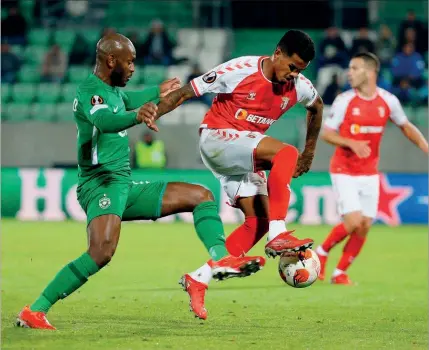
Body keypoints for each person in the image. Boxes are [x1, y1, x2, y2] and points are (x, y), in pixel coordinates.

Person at [16, 33, 265, 330]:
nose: (133, 67)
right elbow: (106, 121)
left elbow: (129, 99)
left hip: (123, 184)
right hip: (101, 184)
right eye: (129, 62)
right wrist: (137, 116)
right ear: (111, 61)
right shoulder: (91, 93)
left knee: (200, 195)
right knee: (101, 253)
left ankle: (221, 258)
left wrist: (156, 92)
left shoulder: (112, 91)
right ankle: (35, 310)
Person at [142, 30, 324, 319]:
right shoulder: (239, 70)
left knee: (257, 222)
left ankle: (198, 279)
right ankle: (279, 234)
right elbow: (187, 92)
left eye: (299, 71)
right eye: (291, 67)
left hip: (243, 151)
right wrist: (152, 113)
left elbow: (317, 107)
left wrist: (311, 152)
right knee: (287, 154)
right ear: (277, 53)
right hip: (217, 139)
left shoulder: (298, 86)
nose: (293, 75)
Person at [315, 52, 428, 285]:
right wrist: (351, 142)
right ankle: (321, 252)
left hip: (369, 173)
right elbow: (327, 133)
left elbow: (406, 126)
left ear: (370, 71)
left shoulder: (388, 100)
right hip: (344, 170)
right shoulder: (344, 100)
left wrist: (425, 146)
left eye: (354, 68)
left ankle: (340, 273)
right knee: (354, 221)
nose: (349, 73)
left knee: (365, 225)